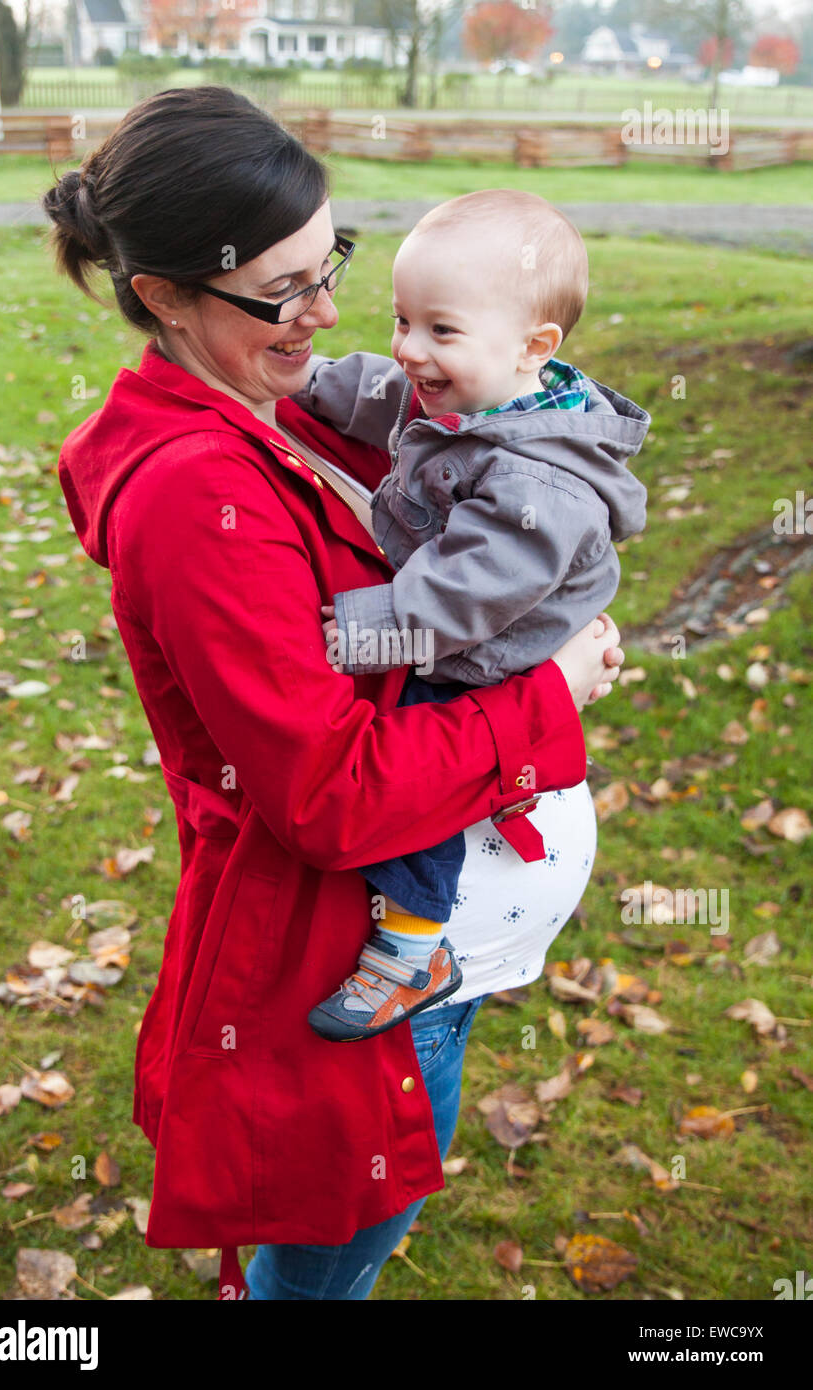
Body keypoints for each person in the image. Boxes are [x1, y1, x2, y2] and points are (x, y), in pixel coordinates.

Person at [43, 85, 627, 1301]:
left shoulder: (272, 408)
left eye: (331, 265)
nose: (327, 314)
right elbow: (330, 796)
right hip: (347, 953)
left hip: (435, 942)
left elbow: (462, 469)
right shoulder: (196, 499)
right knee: (323, 1268)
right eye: (283, 290)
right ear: (161, 294)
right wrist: (553, 691)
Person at [298, 190, 650, 1043]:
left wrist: (347, 632)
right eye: (401, 319)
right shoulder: (480, 394)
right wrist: (305, 383)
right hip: (479, 625)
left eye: (438, 331)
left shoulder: (540, 485)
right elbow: (387, 395)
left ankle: (413, 947)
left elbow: (461, 599)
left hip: (491, 651)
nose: (410, 349)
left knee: (420, 768)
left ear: (535, 347)